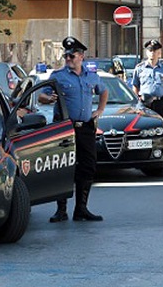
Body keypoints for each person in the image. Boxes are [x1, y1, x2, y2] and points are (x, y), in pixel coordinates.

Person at [38, 36, 108, 222]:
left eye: (71, 56)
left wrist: (99, 110)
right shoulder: (58, 76)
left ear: (81, 56)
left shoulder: (91, 76)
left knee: (87, 167)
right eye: (66, 56)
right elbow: (41, 96)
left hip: (85, 128)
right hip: (64, 129)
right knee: (64, 167)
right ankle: (61, 210)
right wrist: (48, 98)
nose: (68, 59)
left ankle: (81, 209)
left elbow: (103, 90)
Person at [131, 39, 163, 120]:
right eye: (150, 51)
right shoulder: (140, 68)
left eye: (155, 51)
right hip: (144, 103)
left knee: (161, 126)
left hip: (160, 103)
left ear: (159, 53)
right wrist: (138, 99)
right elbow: (135, 86)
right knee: (144, 126)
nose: (152, 53)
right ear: (147, 52)